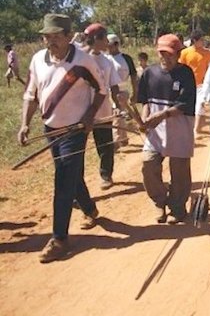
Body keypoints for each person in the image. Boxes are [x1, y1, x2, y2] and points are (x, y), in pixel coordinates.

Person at [18, 14, 107, 263]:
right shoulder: (37, 60)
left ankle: (59, 239)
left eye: (57, 36)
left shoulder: (84, 61)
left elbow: (102, 90)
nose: (51, 41)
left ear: (69, 37)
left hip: (75, 130)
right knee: (70, 173)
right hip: (50, 129)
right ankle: (90, 209)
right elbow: (30, 94)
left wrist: (89, 116)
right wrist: (25, 124)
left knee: (63, 180)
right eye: (47, 36)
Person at [137, 34, 196, 224]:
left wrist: (161, 116)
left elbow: (185, 104)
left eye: (170, 54)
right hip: (155, 132)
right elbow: (145, 101)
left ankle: (177, 207)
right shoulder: (149, 73)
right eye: (162, 53)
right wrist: (145, 118)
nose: (165, 57)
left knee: (179, 170)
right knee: (148, 165)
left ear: (178, 54)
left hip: (179, 129)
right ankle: (160, 201)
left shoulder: (186, 74)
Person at [82, 23, 122, 190]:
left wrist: (118, 106)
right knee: (78, 149)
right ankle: (77, 183)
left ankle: (106, 175)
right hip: (80, 112)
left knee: (105, 144)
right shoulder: (80, 59)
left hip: (103, 110)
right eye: (105, 38)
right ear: (96, 39)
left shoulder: (107, 62)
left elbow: (114, 86)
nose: (107, 42)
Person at [106, 33, 138, 149]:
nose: (108, 47)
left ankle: (116, 142)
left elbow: (133, 76)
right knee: (115, 116)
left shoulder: (126, 59)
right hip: (107, 91)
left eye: (110, 45)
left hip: (121, 90)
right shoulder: (105, 59)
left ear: (116, 44)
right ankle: (123, 138)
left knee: (117, 116)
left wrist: (135, 92)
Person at [179, 29, 210, 139]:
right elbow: (180, 67)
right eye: (201, 40)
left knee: (199, 107)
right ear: (194, 40)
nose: (203, 42)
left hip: (202, 85)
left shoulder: (207, 53)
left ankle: (196, 130)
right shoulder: (185, 53)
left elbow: (209, 69)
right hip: (187, 84)